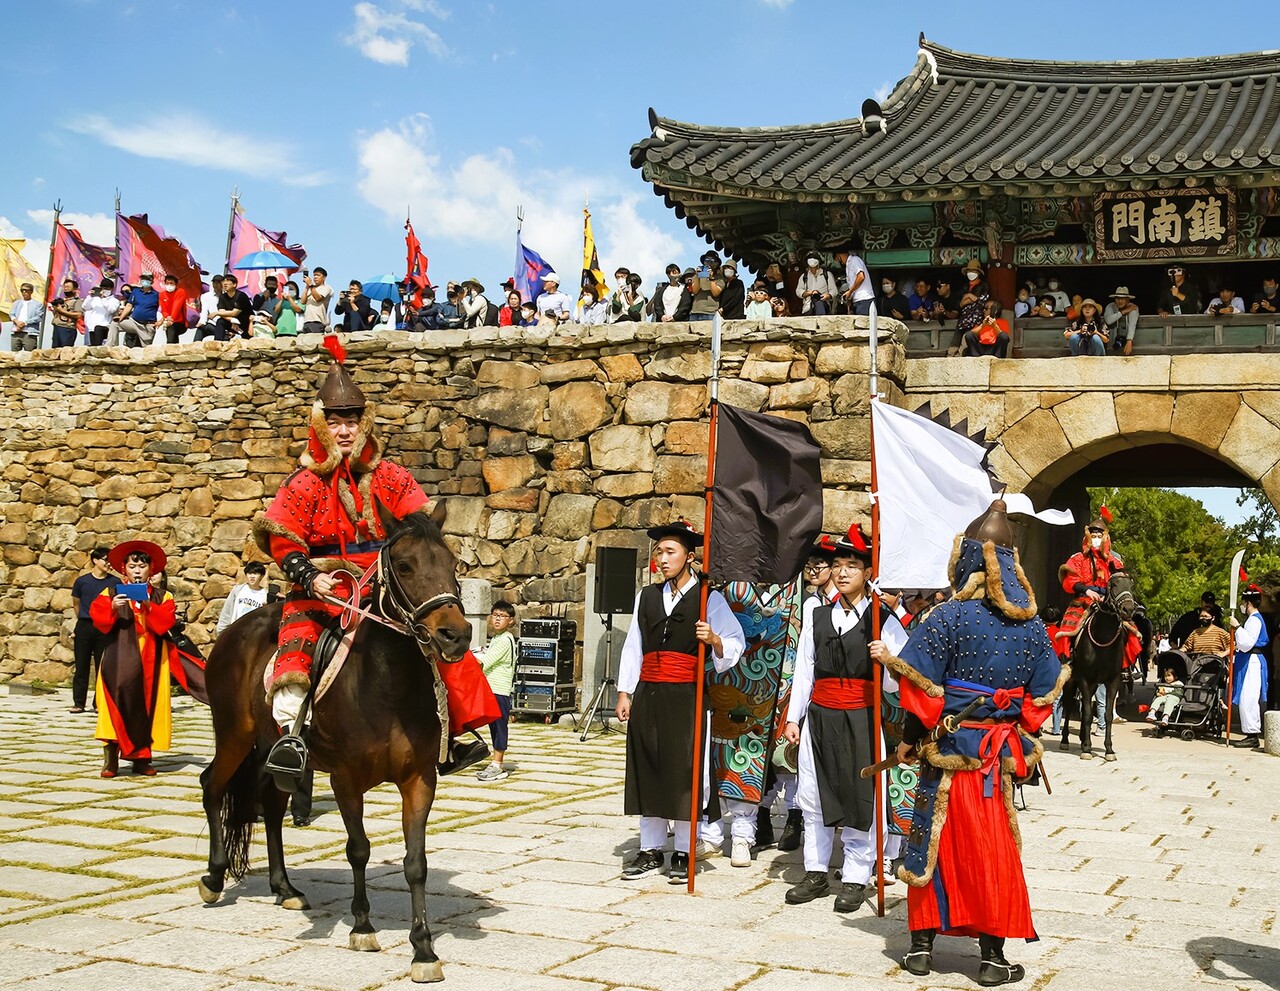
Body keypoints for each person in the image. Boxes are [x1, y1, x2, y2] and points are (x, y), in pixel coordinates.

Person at [252, 345, 497, 780]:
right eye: (336, 423)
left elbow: (419, 526)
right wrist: (309, 577)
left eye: (351, 422)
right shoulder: (305, 481)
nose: (344, 431)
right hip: (323, 593)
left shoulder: (390, 476)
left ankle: (451, 737)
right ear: (321, 427)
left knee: (445, 648)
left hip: (382, 592)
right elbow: (282, 539)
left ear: (363, 426)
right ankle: (293, 742)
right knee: (295, 662)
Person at [877, 500, 1063, 987]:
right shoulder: (1033, 627)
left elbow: (918, 689)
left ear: (965, 559)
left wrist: (910, 741)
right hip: (995, 761)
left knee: (932, 843)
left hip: (947, 752)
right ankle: (993, 958)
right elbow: (1041, 700)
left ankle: (920, 950)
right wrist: (1019, 734)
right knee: (992, 850)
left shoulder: (946, 616)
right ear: (1011, 563)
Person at [782, 524, 908, 912]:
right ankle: (816, 871)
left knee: (859, 797)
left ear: (868, 572)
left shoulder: (882, 619)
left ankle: (855, 875)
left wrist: (886, 660)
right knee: (813, 796)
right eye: (838, 564)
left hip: (861, 718)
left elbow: (898, 685)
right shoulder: (817, 614)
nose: (842, 571)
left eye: (852, 564)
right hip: (820, 715)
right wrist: (794, 717)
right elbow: (805, 669)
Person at [616, 520, 746, 884]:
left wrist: (715, 639)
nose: (662, 558)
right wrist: (626, 691)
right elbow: (634, 647)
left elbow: (736, 644)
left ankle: (686, 849)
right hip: (650, 692)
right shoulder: (647, 596)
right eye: (659, 552)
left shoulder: (709, 597)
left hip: (689, 694)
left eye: (670, 552)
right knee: (650, 767)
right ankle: (651, 849)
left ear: (689, 557)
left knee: (686, 772)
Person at [763, 536, 840, 853]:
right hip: (796, 684)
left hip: (832, 688)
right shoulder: (807, 603)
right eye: (808, 565)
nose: (812, 570)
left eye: (818, 565)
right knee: (791, 757)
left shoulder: (840, 604)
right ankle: (788, 818)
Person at [91, 540, 179, 777]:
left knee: (148, 706)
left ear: (151, 569)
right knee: (113, 703)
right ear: (124, 569)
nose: (137, 570)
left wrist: (148, 605)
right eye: (132, 566)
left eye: (142, 566)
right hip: (118, 658)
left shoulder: (164, 595)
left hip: (152, 659)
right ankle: (110, 759)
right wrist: (112, 607)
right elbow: (98, 620)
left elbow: (165, 623)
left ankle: (142, 758)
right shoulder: (109, 592)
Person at [1056, 511, 1142, 678]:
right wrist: (1087, 590)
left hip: (1109, 601)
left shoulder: (1113, 560)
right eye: (1093, 535)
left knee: (1131, 628)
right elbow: (1070, 579)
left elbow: (1120, 579)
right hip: (1084, 599)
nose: (1095, 538)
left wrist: (1112, 596)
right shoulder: (1078, 558)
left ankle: (1126, 666)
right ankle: (1068, 659)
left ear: (1105, 537)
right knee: (1068, 627)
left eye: (1099, 535)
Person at [70, 547, 117, 713]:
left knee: (102, 666)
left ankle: (99, 702)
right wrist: (81, 619)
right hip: (84, 625)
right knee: (81, 665)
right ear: (95, 560)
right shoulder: (82, 581)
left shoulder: (114, 582)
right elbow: (76, 603)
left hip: (104, 626)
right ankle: (78, 703)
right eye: (106, 559)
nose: (109, 563)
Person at [476, 600, 518, 782]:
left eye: (502, 616)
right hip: (491, 689)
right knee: (492, 726)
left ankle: (497, 764)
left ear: (511, 621)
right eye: (495, 615)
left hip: (499, 690)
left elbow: (486, 661)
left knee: (499, 727)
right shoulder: (496, 639)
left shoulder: (505, 640)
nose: (498, 619)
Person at [1229, 584, 1270, 748]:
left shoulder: (1254, 620)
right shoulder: (1253, 620)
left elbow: (1246, 643)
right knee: (1247, 697)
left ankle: (1252, 733)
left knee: (1249, 697)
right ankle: (1250, 732)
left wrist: (1237, 627)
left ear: (1248, 603)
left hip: (1252, 660)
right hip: (1248, 659)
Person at [215, 561, 271, 636]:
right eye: (249, 573)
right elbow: (227, 611)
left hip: (252, 635)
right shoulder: (238, 590)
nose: (252, 576)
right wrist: (221, 632)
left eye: (255, 574)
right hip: (235, 632)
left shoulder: (265, 595)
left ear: (262, 576)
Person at [110, 274, 161, 346]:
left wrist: (161, 321)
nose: (145, 281)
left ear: (152, 281)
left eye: (147, 279)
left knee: (147, 348)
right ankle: (110, 347)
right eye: (143, 279)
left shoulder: (156, 295)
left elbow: (163, 309)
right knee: (115, 324)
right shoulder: (136, 292)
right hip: (134, 322)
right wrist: (121, 317)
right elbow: (129, 305)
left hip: (147, 325)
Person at [956, 260, 989, 339]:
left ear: (978, 273)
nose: (971, 273)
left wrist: (969, 296)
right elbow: (959, 303)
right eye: (969, 271)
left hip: (977, 317)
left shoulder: (983, 286)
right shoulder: (965, 287)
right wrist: (968, 298)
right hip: (964, 317)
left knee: (969, 336)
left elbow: (982, 302)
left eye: (973, 271)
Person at [838, 244, 874, 316]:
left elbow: (861, 277)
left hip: (864, 299)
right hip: (857, 300)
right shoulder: (848, 266)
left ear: (839, 257)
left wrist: (850, 291)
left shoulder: (855, 260)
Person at [688, 252, 724, 322]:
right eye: (707, 260)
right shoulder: (697, 276)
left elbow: (715, 293)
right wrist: (697, 276)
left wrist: (711, 278)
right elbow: (694, 291)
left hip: (710, 313)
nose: (709, 262)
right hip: (695, 312)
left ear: (716, 264)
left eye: (712, 260)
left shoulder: (720, 278)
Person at [213, 274, 251, 341]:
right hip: (232, 323)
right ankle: (218, 342)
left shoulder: (241, 296)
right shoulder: (222, 297)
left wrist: (216, 313)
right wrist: (232, 320)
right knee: (220, 321)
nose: (225, 284)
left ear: (234, 285)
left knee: (247, 341)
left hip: (245, 323)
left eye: (228, 282)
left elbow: (235, 313)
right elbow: (222, 313)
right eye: (224, 282)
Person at [83, 279, 120, 346]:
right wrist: (90, 296)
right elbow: (85, 307)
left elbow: (111, 310)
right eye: (102, 288)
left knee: (99, 347)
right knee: (92, 347)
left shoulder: (114, 300)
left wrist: (103, 299)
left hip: (105, 327)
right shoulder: (94, 299)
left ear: (111, 289)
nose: (104, 290)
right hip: (92, 327)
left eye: (106, 288)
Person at [1103, 287, 1140, 356]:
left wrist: (1129, 340)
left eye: (1122, 299)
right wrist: (1123, 312)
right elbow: (1108, 320)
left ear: (1127, 300)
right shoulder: (1110, 306)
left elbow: (1132, 324)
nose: (1120, 301)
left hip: (1127, 341)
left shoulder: (1133, 307)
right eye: (1117, 298)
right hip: (1111, 341)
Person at [9, 281, 44, 351]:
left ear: (31, 291)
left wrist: (24, 323)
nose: (24, 292)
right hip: (16, 332)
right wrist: (17, 322)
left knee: (30, 356)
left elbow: (39, 317)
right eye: (22, 290)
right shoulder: (17, 303)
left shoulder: (37, 304)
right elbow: (11, 314)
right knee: (14, 355)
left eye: (26, 290)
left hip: (29, 333)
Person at [50, 278, 84, 348]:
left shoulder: (77, 301)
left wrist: (62, 311)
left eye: (68, 287)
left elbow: (78, 315)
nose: (66, 289)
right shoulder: (62, 301)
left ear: (74, 289)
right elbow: (56, 314)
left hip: (67, 328)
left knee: (65, 351)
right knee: (55, 351)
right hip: (57, 327)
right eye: (65, 287)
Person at [157, 273, 189, 345]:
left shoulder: (180, 292)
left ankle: (169, 347)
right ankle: (174, 350)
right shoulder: (162, 295)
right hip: (169, 320)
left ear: (175, 284)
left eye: (171, 283)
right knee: (170, 330)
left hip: (180, 322)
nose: (169, 285)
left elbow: (177, 306)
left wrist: (172, 319)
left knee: (171, 327)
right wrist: (167, 317)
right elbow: (163, 309)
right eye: (167, 283)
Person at [300, 267, 332, 334]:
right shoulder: (310, 288)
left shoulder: (326, 288)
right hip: (307, 320)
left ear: (324, 277)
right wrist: (307, 287)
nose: (315, 277)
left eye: (318, 275)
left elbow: (318, 298)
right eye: (314, 275)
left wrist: (311, 286)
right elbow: (302, 301)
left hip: (317, 321)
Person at [195, 275, 223, 341]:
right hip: (211, 323)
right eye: (214, 283)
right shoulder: (206, 296)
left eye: (218, 283)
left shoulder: (226, 296)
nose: (216, 285)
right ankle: (195, 346)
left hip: (223, 326)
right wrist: (202, 322)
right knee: (201, 329)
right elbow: (204, 310)